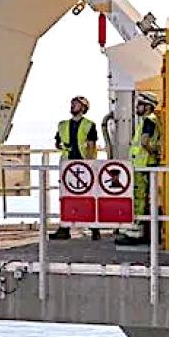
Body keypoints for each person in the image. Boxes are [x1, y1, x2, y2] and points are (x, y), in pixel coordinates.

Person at [50, 95, 100, 241]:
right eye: (72, 103)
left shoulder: (89, 124)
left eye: (76, 104)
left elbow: (91, 146)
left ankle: (94, 228)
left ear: (83, 108)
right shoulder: (62, 125)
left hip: (84, 164)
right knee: (66, 197)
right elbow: (57, 143)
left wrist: (91, 165)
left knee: (88, 197)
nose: (72, 106)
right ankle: (64, 228)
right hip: (67, 165)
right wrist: (63, 146)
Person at [116, 92, 162, 246]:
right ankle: (138, 232)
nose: (137, 107)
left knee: (139, 200)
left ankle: (135, 235)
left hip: (143, 166)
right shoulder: (148, 121)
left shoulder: (149, 121)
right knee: (141, 199)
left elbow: (144, 142)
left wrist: (153, 152)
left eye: (140, 104)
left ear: (148, 106)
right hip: (143, 166)